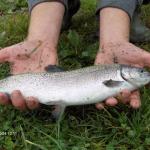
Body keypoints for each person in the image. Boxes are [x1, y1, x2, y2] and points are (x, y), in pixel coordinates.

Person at [0, 0, 150, 111]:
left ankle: (121, 11)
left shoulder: (121, 78)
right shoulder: (120, 78)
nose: (144, 73)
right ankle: (60, 8)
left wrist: (115, 40)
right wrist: (39, 39)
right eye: (141, 72)